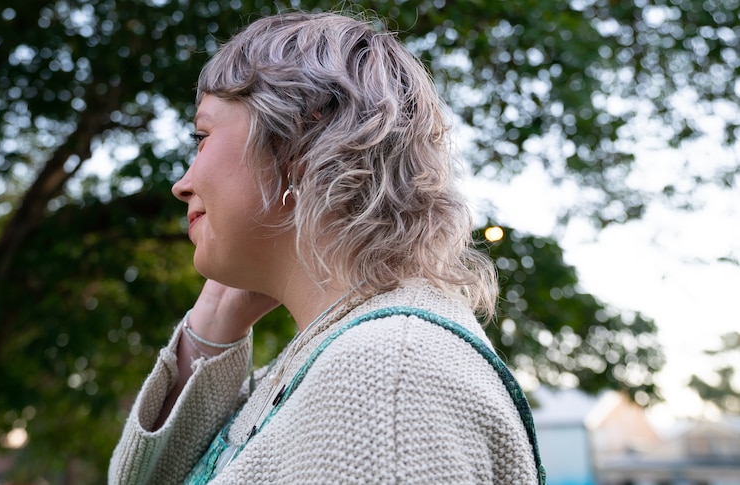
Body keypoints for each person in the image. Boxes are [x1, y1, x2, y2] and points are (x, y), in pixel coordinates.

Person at [109, 11, 544, 485]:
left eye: (202, 137)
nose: (182, 184)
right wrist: (214, 323)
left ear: (295, 144)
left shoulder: (384, 377)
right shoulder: (328, 361)